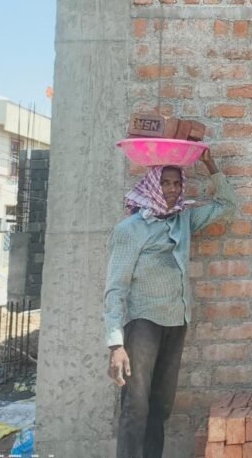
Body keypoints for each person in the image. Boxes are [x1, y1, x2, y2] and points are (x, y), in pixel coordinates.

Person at [104, 148, 234, 458]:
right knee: (136, 407)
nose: (173, 189)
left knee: (160, 407)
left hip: (177, 321)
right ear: (152, 185)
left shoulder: (183, 219)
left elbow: (227, 205)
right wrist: (115, 344)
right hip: (143, 324)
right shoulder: (130, 229)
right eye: (165, 183)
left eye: (177, 183)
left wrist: (210, 163)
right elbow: (115, 287)